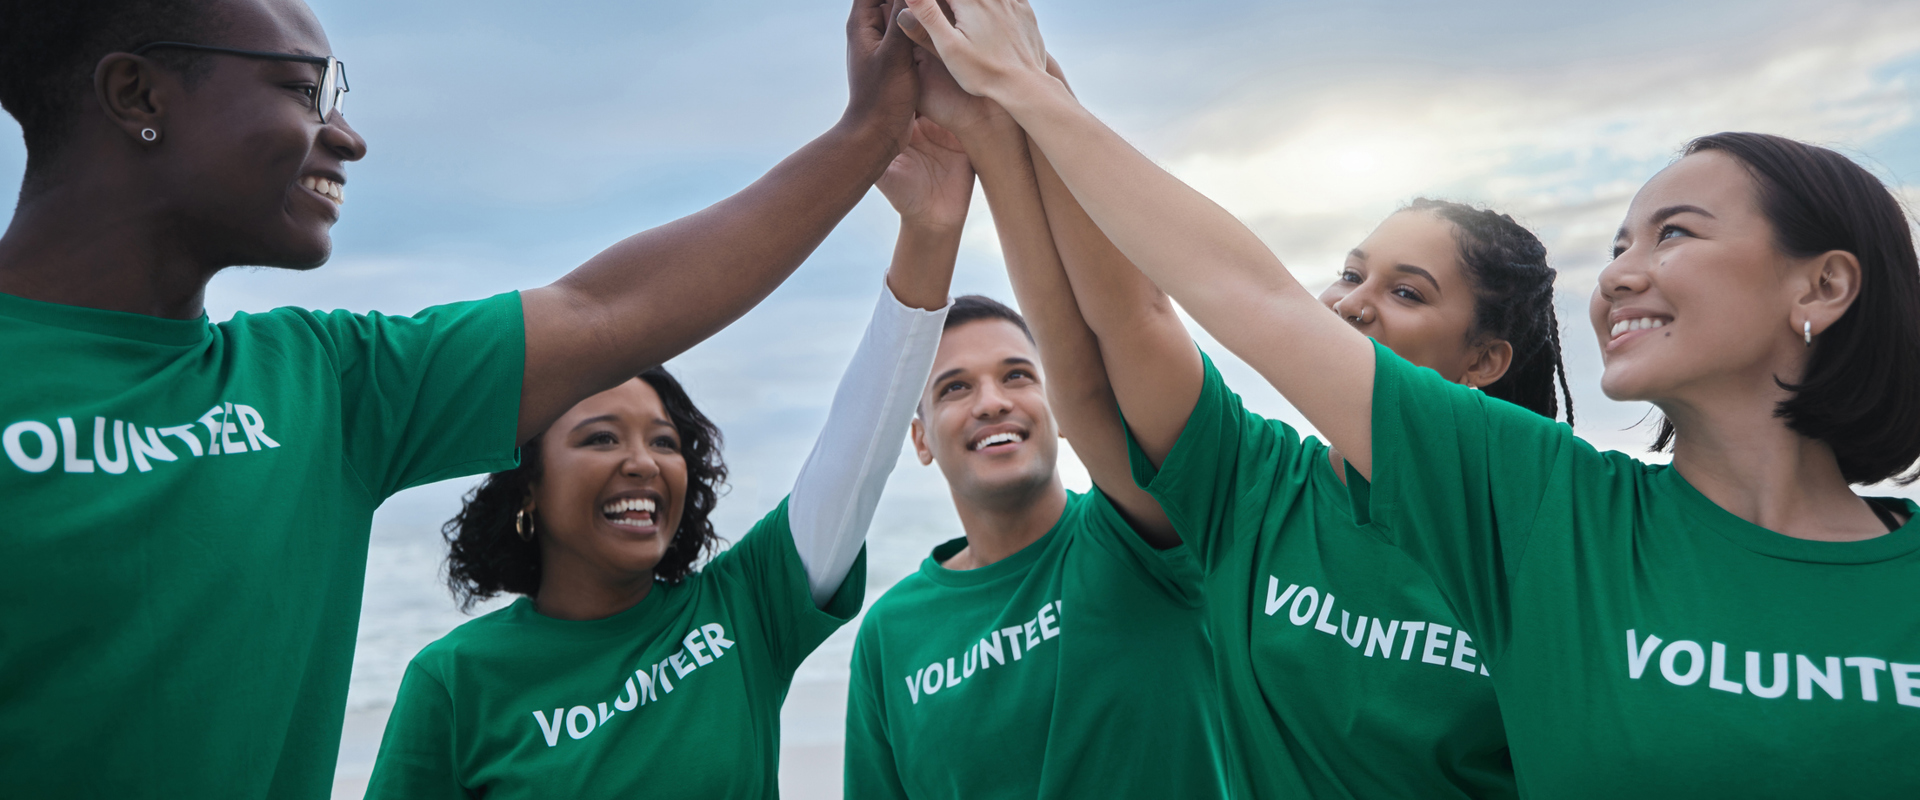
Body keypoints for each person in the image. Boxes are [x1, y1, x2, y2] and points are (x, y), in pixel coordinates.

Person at [905, 2, 1920, 795]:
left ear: (1823, 285)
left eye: (1676, 234)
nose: (1617, 276)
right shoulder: (1544, 512)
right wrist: (1019, 96)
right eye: (1616, 245)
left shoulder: (1525, 504)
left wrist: (1027, 96)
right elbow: (1181, 318)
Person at [0, 0, 919, 794]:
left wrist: (872, 132)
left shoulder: (329, 383)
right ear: (138, 96)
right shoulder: (455, 679)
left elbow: (609, 309)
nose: (348, 135)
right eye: (301, 89)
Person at [362, 112, 964, 798]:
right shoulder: (454, 680)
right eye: (600, 437)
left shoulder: (743, 610)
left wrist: (931, 229)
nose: (642, 461)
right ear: (528, 487)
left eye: (665, 441)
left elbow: (860, 443)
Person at [840, 49, 1228, 800]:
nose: (992, 401)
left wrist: (1008, 99)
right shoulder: (893, 635)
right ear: (918, 437)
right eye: (954, 388)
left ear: (1055, 404)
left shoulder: (1139, 534)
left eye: (1017, 375)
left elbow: (1105, 323)